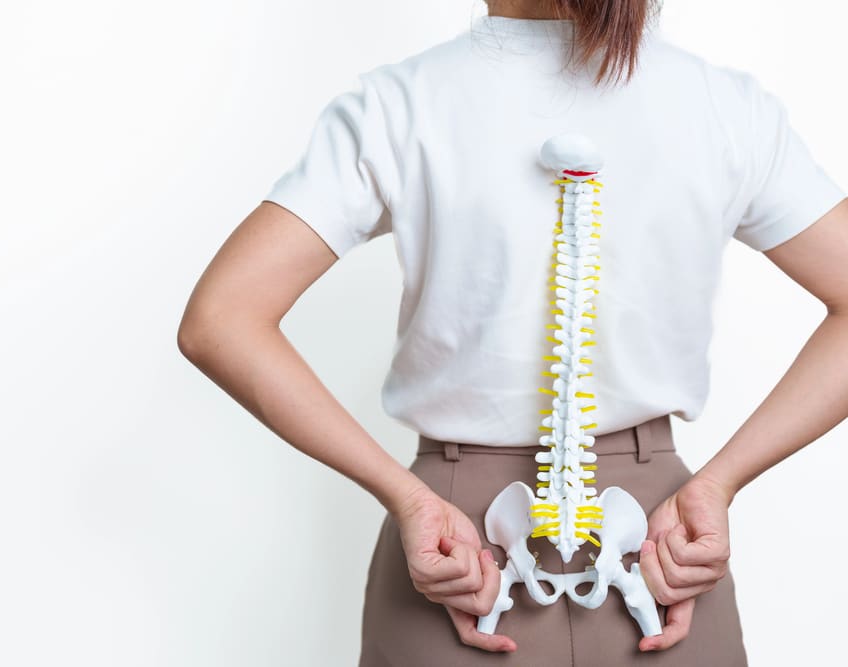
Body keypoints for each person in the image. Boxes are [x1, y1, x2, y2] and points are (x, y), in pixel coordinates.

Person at [178, 0, 847, 664]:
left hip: (466, 533)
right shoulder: (723, 107)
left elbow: (221, 318)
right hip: (652, 534)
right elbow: (219, 323)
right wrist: (717, 485)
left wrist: (407, 495)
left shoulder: (402, 105)